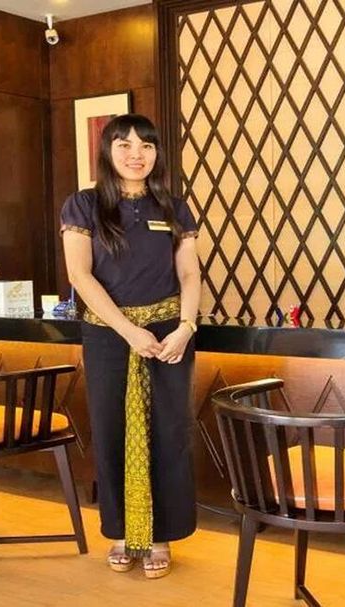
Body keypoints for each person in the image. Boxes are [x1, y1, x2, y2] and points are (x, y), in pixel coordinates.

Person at [60, 114, 200, 578]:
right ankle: (122, 534)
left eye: (146, 145)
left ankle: (160, 538)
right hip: (108, 336)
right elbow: (80, 275)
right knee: (111, 430)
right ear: (108, 151)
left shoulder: (173, 208)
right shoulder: (84, 205)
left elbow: (189, 273)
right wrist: (128, 331)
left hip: (168, 336)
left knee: (168, 433)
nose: (136, 154)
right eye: (124, 144)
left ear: (158, 153)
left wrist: (185, 327)